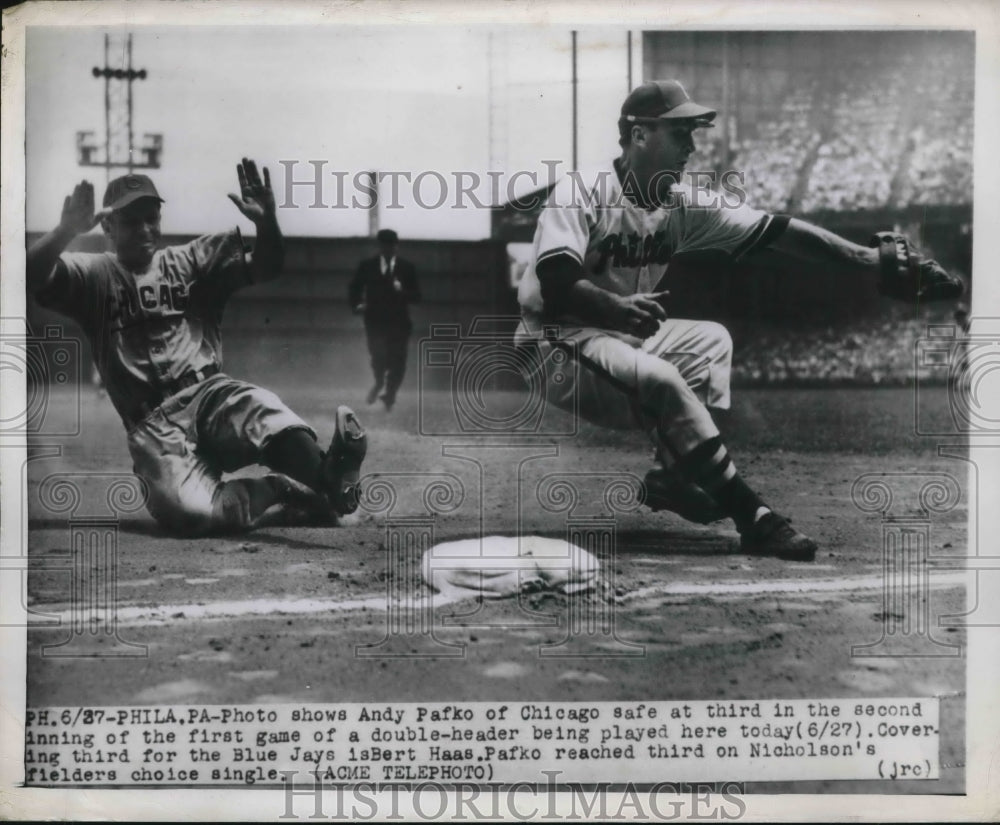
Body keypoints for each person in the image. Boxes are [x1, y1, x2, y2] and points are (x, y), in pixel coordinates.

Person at [515, 80, 963, 562]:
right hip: (552, 343)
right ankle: (755, 518)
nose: (691, 144)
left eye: (693, 132)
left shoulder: (682, 203)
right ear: (640, 134)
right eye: (680, 131)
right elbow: (558, 280)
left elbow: (775, 231)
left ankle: (672, 476)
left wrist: (868, 259)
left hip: (616, 335)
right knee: (662, 378)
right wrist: (614, 308)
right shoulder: (581, 191)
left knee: (712, 342)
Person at [27, 160, 368, 536]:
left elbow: (268, 265)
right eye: (131, 220)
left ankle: (330, 478)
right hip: (154, 427)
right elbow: (27, 275)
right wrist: (64, 231)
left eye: (151, 217)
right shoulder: (91, 275)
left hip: (208, 395)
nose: (145, 228)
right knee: (191, 515)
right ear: (107, 225)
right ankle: (281, 490)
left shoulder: (189, 260)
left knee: (263, 411)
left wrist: (266, 221)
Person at [349, 228, 421, 411]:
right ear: (380, 247)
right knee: (378, 356)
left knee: (398, 361)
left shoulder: (407, 268)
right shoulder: (368, 266)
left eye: (392, 245)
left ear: (397, 246)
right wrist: (357, 305)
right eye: (386, 246)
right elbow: (355, 288)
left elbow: (417, 296)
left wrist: (401, 291)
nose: (389, 249)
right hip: (375, 321)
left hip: (399, 324)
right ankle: (380, 382)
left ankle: (390, 393)